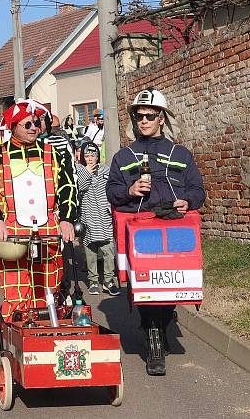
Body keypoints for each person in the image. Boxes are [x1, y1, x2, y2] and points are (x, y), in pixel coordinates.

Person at [106, 87, 205, 376]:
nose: (144, 121)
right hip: (141, 232)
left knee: (170, 286)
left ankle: (162, 322)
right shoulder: (123, 157)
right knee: (147, 289)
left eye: (150, 116)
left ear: (161, 118)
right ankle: (154, 346)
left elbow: (198, 190)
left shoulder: (181, 154)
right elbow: (112, 192)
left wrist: (189, 201)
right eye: (139, 116)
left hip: (175, 229)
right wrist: (129, 189)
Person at [0, 100, 77, 321]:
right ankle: (16, 328)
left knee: (49, 282)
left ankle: (46, 324)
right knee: (15, 281)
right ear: (13, 127)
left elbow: (68, 187)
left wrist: (67, 218)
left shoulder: (52, 153)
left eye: (37, 123)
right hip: (12, 229)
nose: (34, 127)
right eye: (28, 124)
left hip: (48, 228)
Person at [75, 142, 118, 296]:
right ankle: (93, 280)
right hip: (88, 215)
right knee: (90, 249)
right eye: (87, 156)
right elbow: (78, 188)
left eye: (93, 155)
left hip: (104, 216)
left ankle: (108, 280)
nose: (90, 159)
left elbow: (112, 187)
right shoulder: (78, 169)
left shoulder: (105, 169)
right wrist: (86, 172)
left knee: (108, 249)